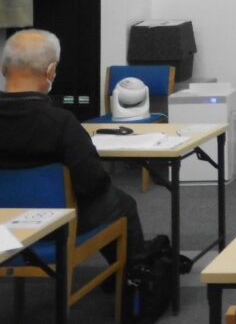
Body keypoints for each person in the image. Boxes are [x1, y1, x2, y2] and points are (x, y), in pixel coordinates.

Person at [0, 29, 146, 264]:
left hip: (3, 228)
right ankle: (134, 276)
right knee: (122, 203)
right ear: (50, 71)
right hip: (54, 226)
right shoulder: (61, 123)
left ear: (3, 68)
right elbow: (93, 182)